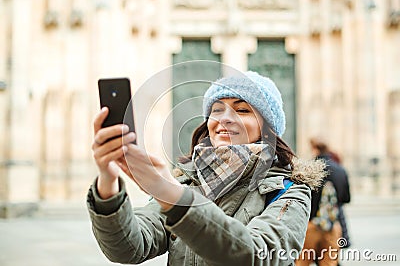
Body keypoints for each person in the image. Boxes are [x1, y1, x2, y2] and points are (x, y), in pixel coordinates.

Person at [86, 71, 326, 265]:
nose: (225, 118)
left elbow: (255, 255)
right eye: (217, 109)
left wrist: (171, 194)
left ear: (267, 129)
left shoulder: (289, 190)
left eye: (242, 110)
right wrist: (108, 180)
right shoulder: (187, 182)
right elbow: (128, 249)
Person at [296, 138, 351, 266]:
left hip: (311, 224)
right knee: (329, 262)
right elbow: (346, 198)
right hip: (333, 225)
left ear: (315, 149)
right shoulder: (341, 170)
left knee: (302, 261)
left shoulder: (311, 169)